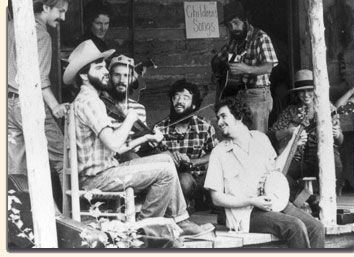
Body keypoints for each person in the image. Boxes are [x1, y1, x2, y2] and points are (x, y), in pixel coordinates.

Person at [62, 40, 214, 237]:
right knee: (166, 171)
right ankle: (145, 230)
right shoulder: (90, 102)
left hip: (106, 170)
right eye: (98, 68)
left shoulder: (90, 100)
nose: (105, 72)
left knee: (166, 159)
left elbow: (115, 148)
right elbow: (115, 143)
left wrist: (143, 138)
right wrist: (130, 118)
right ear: (83, 75)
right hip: (98, 178)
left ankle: (180, 219)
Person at [204, 97, 325, 248]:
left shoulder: (260, 139)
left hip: (273, 203)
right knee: (294, 226)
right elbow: (216, 198)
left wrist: (292, 143)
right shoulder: (219, 152)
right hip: (247, 212)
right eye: (218, 118)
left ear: (239, 116)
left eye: (223, 116)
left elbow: (277, 171)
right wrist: (250, 201)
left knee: (316, 226)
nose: (219, 122)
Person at [8, 0, 70, 186]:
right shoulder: (41, 35)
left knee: (15, 168)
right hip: (27, 104)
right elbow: (39, 79)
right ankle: (71, 211)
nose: (64, 17)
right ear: (45, 7)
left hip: (8, 104)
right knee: (63, 158)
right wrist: (55, 106)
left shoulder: (9, 27)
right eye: (60, 11)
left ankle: (18, 212)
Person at [268, 69, 344, 210]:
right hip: (297, 158)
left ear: (316, 90)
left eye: (309, 90)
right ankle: (310, 199)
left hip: (320, 158)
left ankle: (330, 202)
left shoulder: (328, 108)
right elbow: (271, 135)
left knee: (334, 160)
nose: (306, 95)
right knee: (276, 174)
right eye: (301, 91)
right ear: (296, 93)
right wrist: (289, 132)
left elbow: (340, 141)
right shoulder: (291, 111)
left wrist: (336, 133)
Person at [211, 1, 278, 133]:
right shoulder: (234, 41)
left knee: (257, 139)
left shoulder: (261, 38)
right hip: (238, 95)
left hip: (258, 95)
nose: (233, 28)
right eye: (229, 25)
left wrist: (245, 68)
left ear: (245, 20)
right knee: (240, 136)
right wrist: (218, 73)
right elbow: (217, 59)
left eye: (236, 23)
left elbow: (268, 67)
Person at [155, 80, 217, 211]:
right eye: (176, 97)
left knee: (187, 180)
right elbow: (153, 156)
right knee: (182, 180)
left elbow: (215, 153)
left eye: (186, 97)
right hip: (170, 178)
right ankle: (182, 210)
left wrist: (192, 162)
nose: (179, 101)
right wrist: (169, 157)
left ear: (194, 105)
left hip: (197, 178)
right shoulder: (159, 128)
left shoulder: (204, 127)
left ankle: (190, 206)